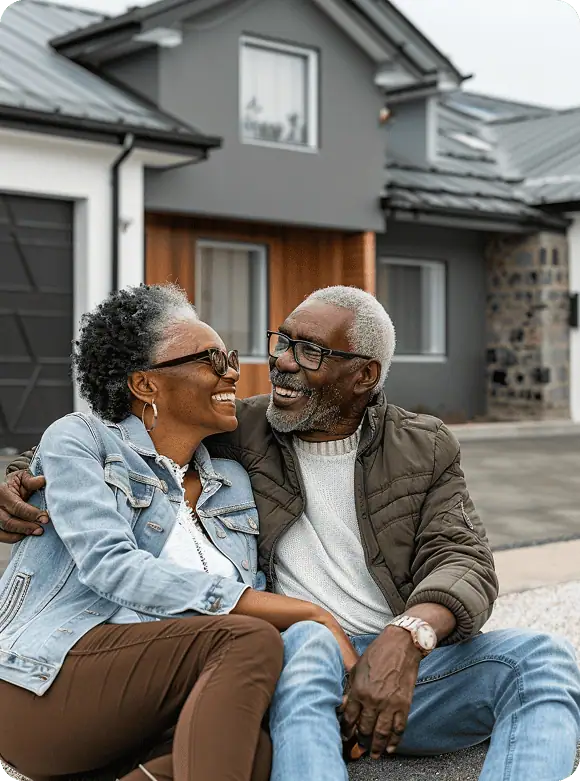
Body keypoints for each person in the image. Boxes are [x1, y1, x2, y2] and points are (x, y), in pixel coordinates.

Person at [2, 285, 580, 781]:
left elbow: (465, 560)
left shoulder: (420, 446)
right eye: (282, 342)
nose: (278, 363)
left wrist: (407, 636)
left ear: (365, 375)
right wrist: (20, 480)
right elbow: (117, 443)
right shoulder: (245, 429)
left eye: (310, 351)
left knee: (543, 658)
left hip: (398, 667)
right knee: (293, 644)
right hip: (297, 653)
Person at [0, 283, 358, 781]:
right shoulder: (80, 440)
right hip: (45, 685)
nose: (233, 371)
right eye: (211, 359)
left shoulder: (230, 481)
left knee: (256, 751)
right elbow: (112, 566)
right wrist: (310, 614)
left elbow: (246, 592)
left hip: (154, 709)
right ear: (146, 385)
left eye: (230, 356)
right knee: (250, 639)